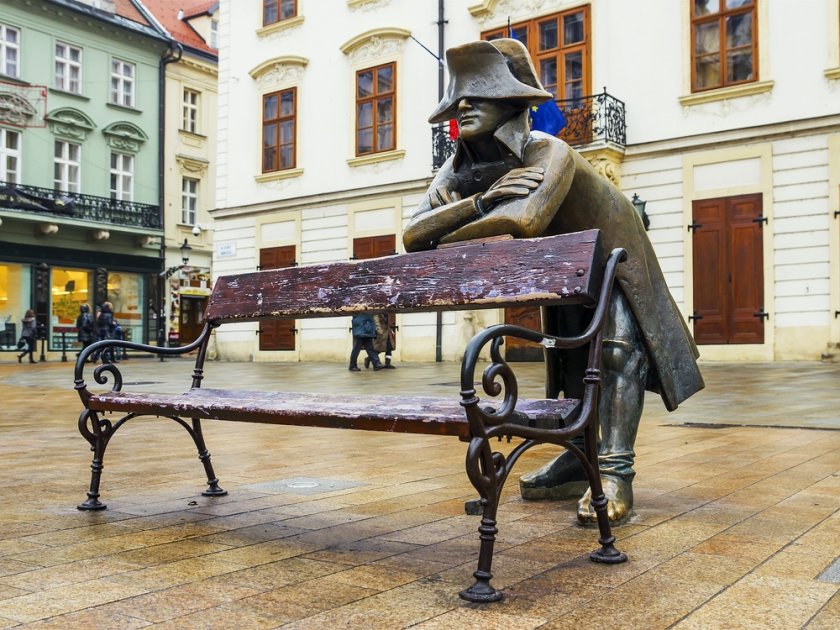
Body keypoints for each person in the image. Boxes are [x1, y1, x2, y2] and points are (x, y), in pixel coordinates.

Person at [403, 38, 704, 523]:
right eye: (461, 96)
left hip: (614, 256)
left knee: (616, 353)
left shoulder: (549, 150)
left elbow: (524, 220)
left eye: (479, 94)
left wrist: (456, 220)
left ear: (512, 101)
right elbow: (413, 235)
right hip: (564, 268)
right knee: (569, 364)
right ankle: (575, 461)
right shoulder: (458, 167)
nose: (464, 105)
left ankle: (615, 474)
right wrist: (479, 203)